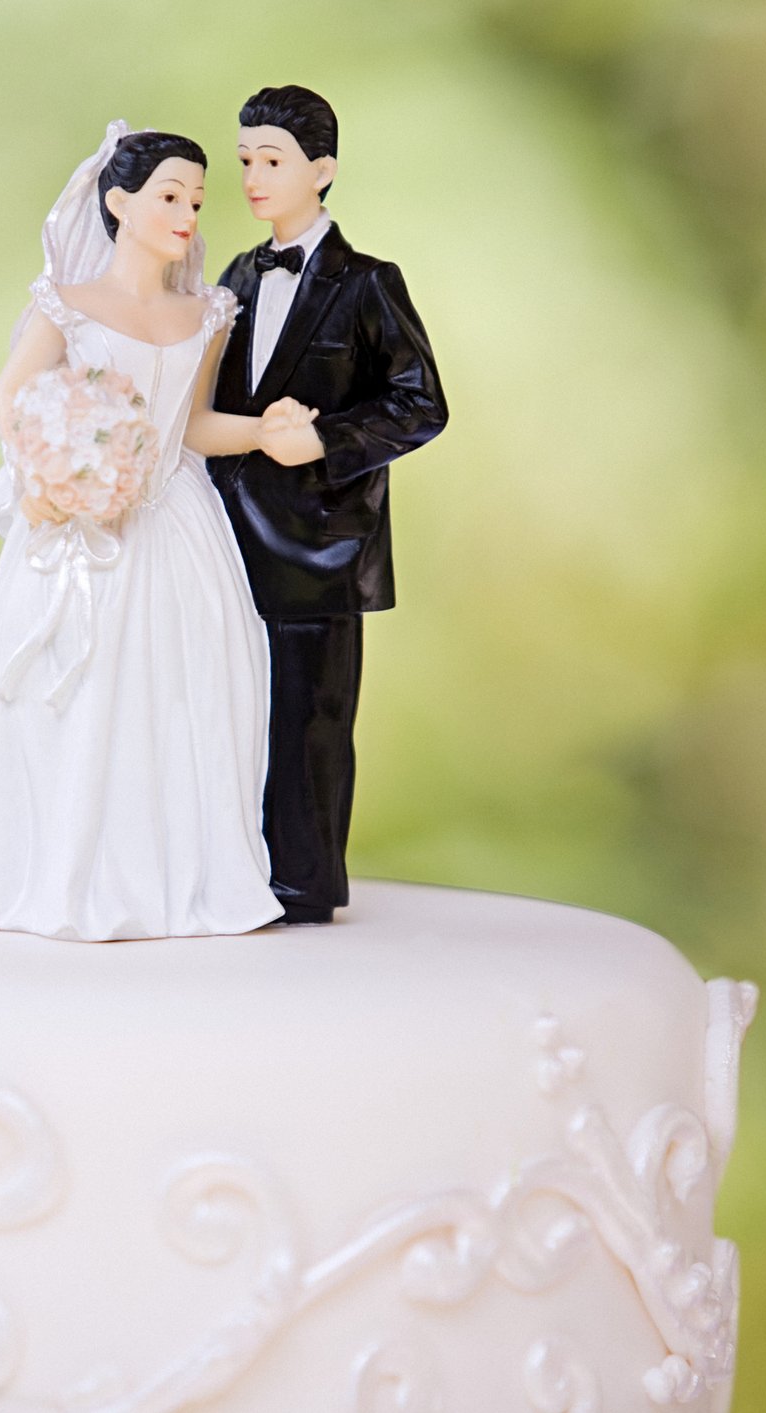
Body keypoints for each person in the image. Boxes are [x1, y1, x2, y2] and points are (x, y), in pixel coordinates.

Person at [0, 122, 323, 942]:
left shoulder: (208, 311)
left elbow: (189, 426)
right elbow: (12, 396)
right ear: (118, 202)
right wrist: (51, 479)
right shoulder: (67, 306)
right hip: (75, 523)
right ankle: (50, 863)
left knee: (177, 696)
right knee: (71, 695)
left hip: (173, 525)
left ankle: (166, 872)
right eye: (168, 194)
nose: (187, 211)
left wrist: (261, 431)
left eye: (196, 196)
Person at [208, 85, 448, 924]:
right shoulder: (237, 274)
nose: (252, 177)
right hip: (226, 535)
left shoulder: (368, 285)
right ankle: (229, 871)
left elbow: (420, 405)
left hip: (317, 544)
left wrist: (329, 441)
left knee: (310, 721)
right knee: (230, 713)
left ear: (322, 171)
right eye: (244, 161)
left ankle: (303, 886)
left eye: (270, 160)